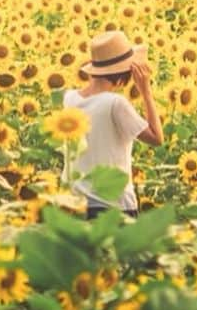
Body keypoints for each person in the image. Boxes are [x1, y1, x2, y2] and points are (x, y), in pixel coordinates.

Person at [63, 29, 164, 218]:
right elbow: (157, 138)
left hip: (75, 205)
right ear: (125, 73)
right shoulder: (115, 104)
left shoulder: (69, 99)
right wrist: (146, 91)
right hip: (113, 207)